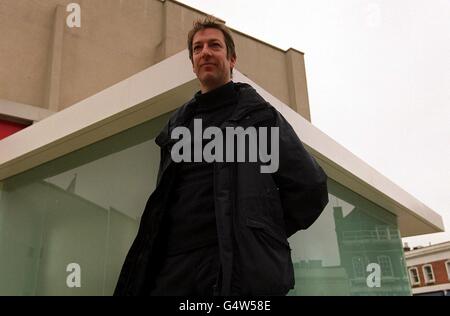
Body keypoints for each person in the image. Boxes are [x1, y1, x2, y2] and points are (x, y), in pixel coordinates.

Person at [114, 17, 328, 296]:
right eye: (197, 48)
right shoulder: (176, 127)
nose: (205, 52)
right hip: (171, 270)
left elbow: (311, 188)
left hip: (229, 269)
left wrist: (258, 233)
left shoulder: (261, 119)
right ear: (192, 63)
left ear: (232, 59)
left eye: (214, 45)